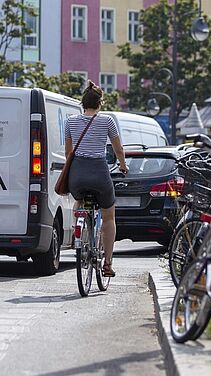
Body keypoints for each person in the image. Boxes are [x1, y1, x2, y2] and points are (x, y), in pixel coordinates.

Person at [65, 81, 128, 277]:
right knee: (109, 216)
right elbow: (118, 149)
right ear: (100, 103)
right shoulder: (107, 121)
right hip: (99, 174)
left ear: (82, 103)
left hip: (77, 175)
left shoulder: (70, 122)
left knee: (79, 202)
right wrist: (123, 165)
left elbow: (68, 153)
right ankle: (107, 263)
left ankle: (79, 230)